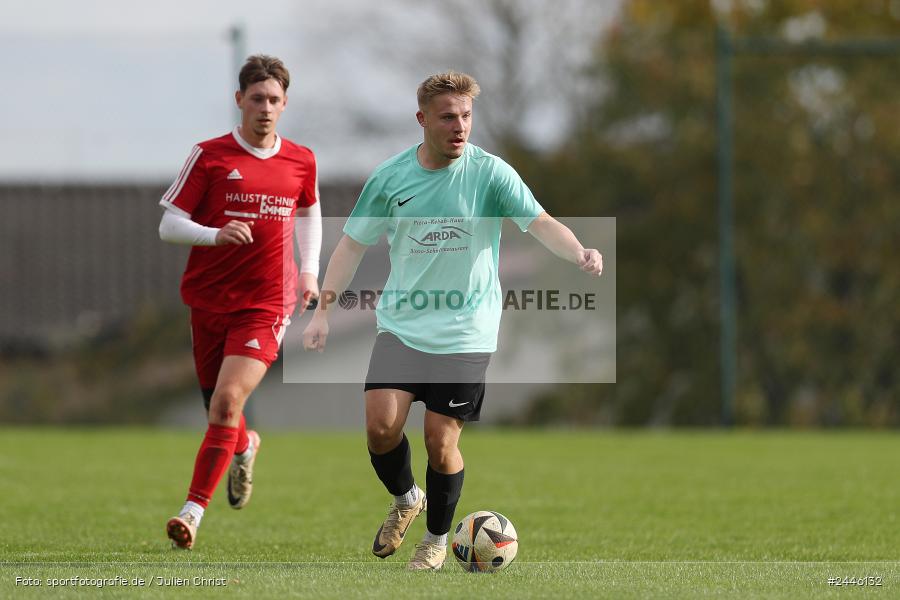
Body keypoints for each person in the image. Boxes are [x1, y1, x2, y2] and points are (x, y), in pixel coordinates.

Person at [302, 71, 602, 570]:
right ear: (422, 120)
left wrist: (578, 252)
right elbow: (352, 244)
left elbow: (540, 221)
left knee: (441, 441)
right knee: (380, 429)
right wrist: (324, 311)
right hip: (403, 325)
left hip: (466, 332)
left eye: (465, 116)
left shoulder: (491, 174)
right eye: (447, 117)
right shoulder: (391, 178)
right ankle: (406, 498)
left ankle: (436, 541)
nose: (459, 126)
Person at [158, 54, 322, 549]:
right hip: (209, 302)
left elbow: (310, 212)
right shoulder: (209, 156)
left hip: (268, 303)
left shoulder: (301, 159)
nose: (266, 108)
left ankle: (191, 513)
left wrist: (309, 271)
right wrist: (214, 234)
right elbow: (168, 225)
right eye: (257, 99)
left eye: (274, 99)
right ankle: (245, 444)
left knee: (228, 400)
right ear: (239, 101)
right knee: (220, 409)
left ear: (285, 103)